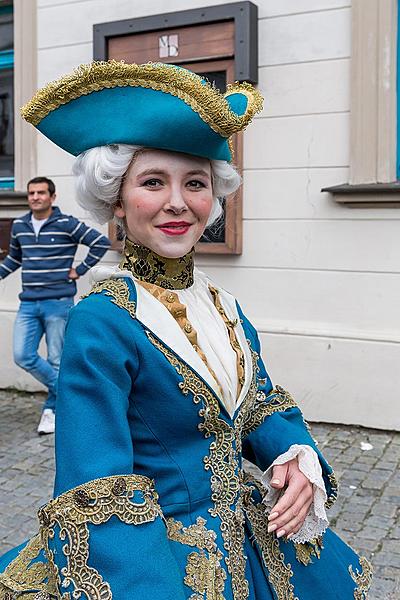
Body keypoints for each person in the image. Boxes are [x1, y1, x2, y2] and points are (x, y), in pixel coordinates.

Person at [0, 61, 372, 599]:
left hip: (250, 541)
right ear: (118, 202)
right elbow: (96, 484)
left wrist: (292, 456)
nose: (177, 202)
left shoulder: (224, 308)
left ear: (212, 199)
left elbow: (259, 404)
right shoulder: (100, 323)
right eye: (153, 182)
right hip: (157, 561)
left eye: (194, 183)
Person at [0, 176, 111, 434]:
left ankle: (52, 410)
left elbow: (100, 242)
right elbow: (15, 258)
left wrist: (80, 269)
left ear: (52, 196)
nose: (35, 197)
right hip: (28, 302)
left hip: (58, 302)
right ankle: (73, 395)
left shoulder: (67, 224)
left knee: (57, 360)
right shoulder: (20, 225)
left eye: (40, 193)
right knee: (23, 355)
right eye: (31, 193)